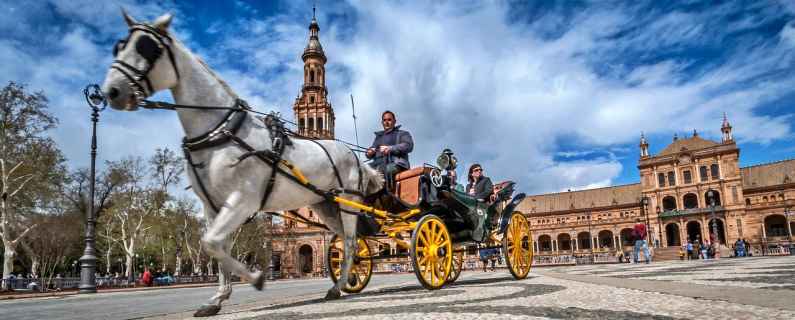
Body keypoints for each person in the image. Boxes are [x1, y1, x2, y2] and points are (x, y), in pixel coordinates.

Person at [366, 110, 414, 187]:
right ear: (382, 122)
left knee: (382, 171)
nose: (387, 122)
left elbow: (408, 145)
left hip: (397, 164)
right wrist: (369, 152)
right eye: (384, 120)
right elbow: (372, 149)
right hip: (378, 164)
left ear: (394, 121)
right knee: (362, 171)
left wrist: (390, 148)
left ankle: (385, 195)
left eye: (389, 120)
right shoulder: (378, 137)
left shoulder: (403, 133)